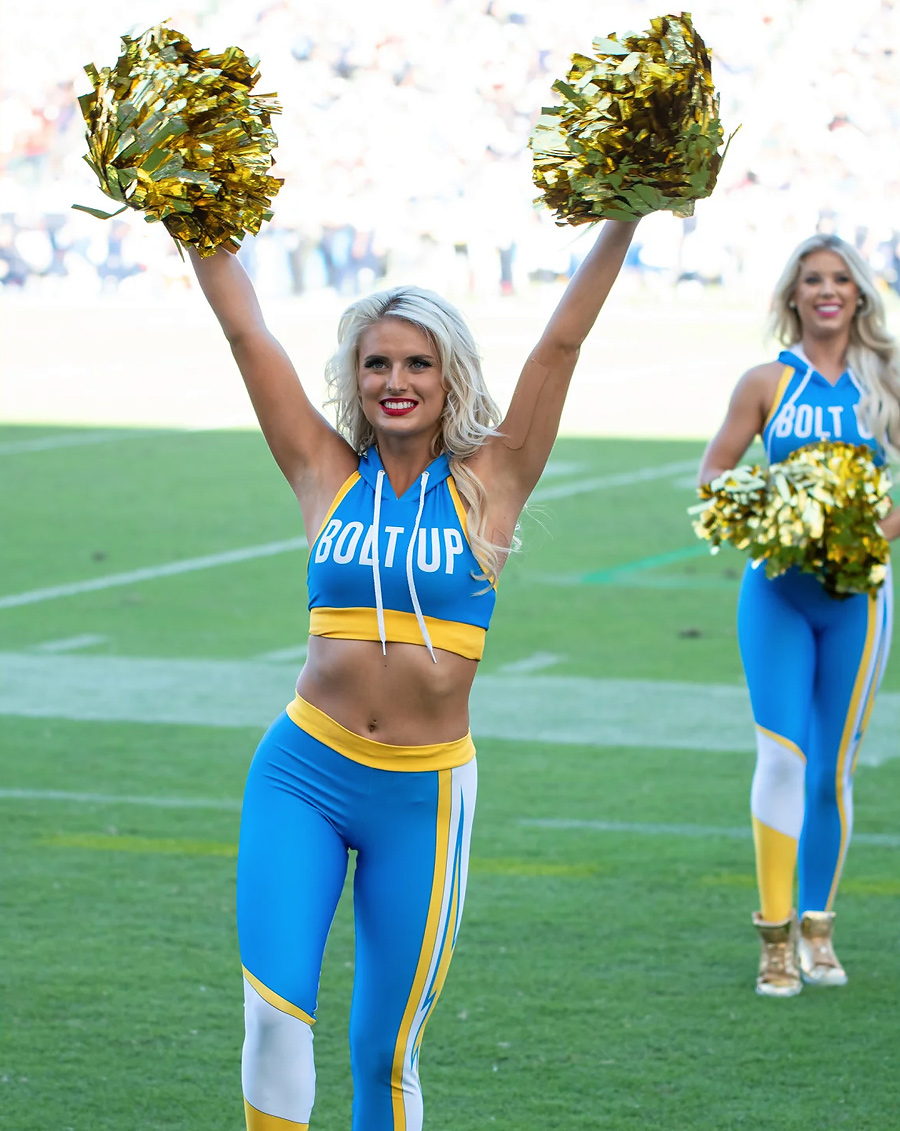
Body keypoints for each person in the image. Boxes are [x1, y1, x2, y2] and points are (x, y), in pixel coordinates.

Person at [187, 216, 638, 1129]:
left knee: (385, 1052)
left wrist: (626, 212)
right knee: (273, 1022)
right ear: (355, 379)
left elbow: (563, 338)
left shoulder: (493, 482)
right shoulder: (323, 469)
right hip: (302, 774)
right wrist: (187, 211)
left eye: (417, 364)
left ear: (449, 377)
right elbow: (247, 334)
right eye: (378, 364)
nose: (396, 382)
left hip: (424, 797)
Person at [698, 233, 900, 997]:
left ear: (857, 294)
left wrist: (867, 534)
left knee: (832, 769)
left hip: (858, 600)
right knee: (782, 757)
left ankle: (820, 925)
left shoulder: (885, 382)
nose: (826, 290)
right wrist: (769, 512)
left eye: (840, 279)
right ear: (792, 294)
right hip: (776, 591)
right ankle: (775, 937)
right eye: (812, 279)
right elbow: (714, 472)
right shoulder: (765, 382)